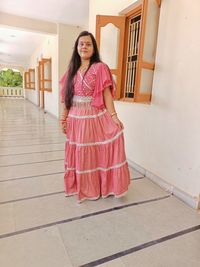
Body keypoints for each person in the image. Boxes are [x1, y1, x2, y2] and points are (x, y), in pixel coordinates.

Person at [59, 31, 130, 203]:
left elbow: (106, 94)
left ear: (93, 48)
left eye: (88, 44)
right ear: (77, 48)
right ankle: (82, 187)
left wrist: (114, 117)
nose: (84, 46)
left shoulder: (100, 67)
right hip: (76, 118)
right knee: (81, 152)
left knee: (94, 151)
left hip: (94, 116)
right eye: (81, 44)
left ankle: (101, 186)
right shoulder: (71, 70)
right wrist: (63, 118)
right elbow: (66, 97)